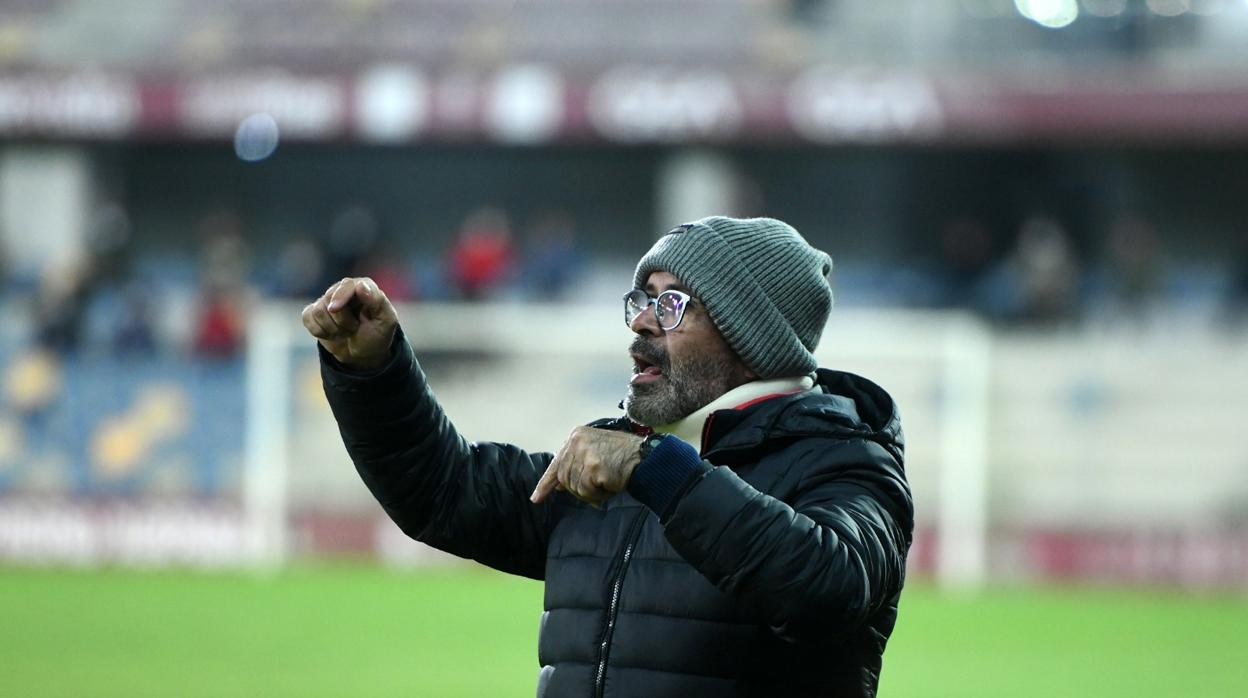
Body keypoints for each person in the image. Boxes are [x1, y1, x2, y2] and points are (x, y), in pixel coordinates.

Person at [303, 216, 913, 697]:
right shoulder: (626, 456)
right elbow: (444, 492)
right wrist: (373, 371)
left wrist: (658, 471)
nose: (641, 321)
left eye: (671, 304)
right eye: (642, 300)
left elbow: (829, 589)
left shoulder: (846, 459)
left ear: (750, 333)